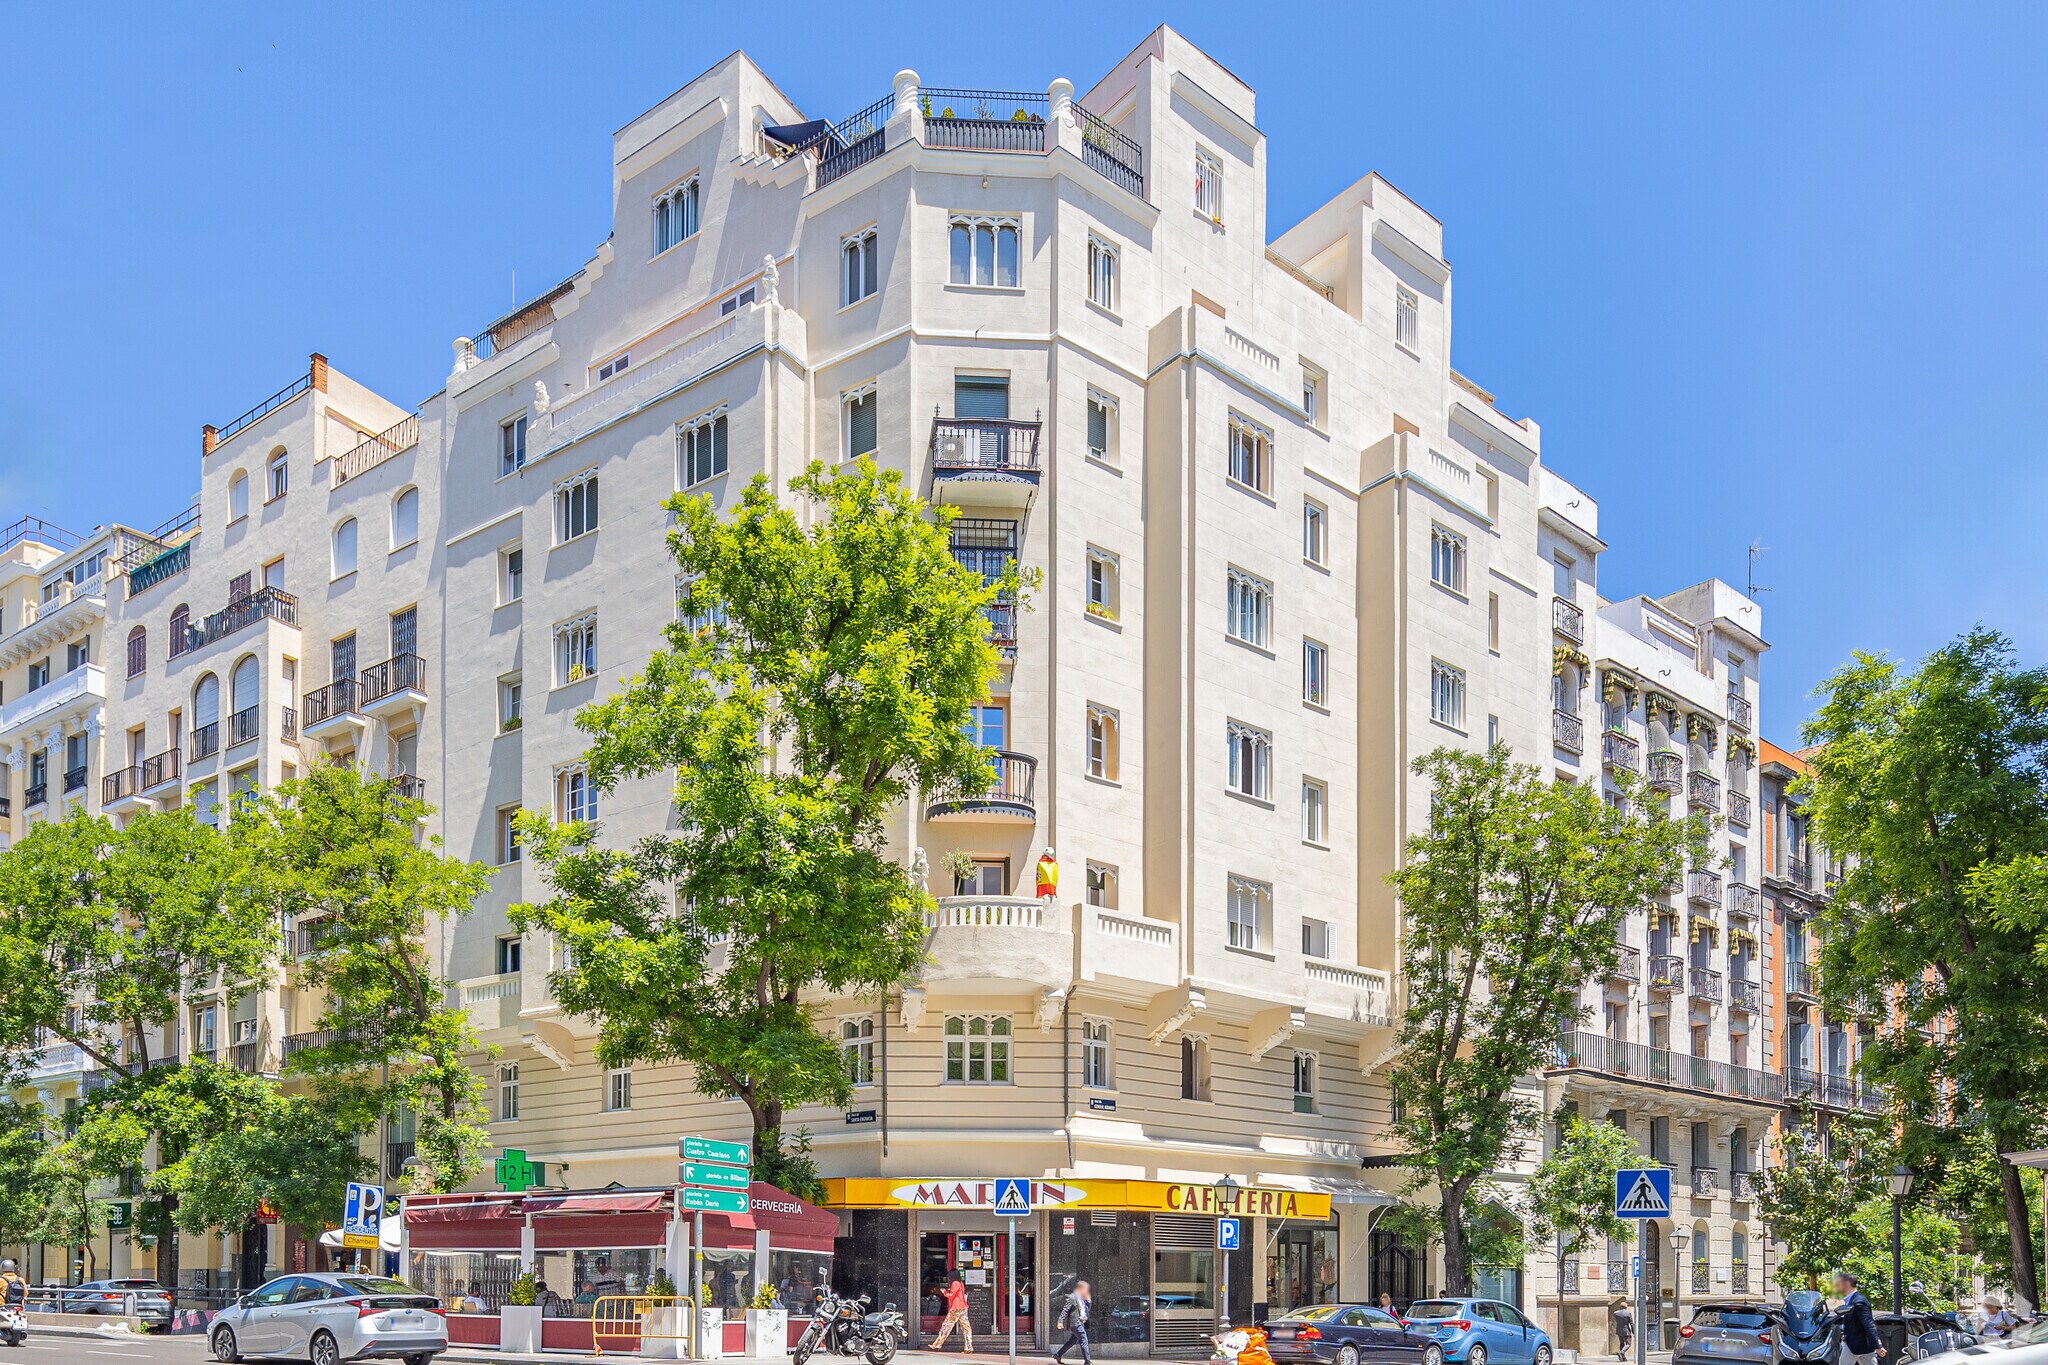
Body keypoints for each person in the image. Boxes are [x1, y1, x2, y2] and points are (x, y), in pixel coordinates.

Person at [1834, 1271, 1886, 1365]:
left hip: (1855, 1344)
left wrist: (1878, 1345)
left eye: (1839, 1283)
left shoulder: (1859, 1301)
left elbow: (1869, 1324)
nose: (1837, 1286)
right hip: (1860, 1345)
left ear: (1847, 1283)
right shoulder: (1852, 1300)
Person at [932, 1275, 974, 1352]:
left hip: (956, 1307)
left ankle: (937, 1344)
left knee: (946, 1326)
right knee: (966, 1328)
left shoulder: (955, 1283)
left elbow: (951, 1296)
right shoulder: (960, 1283)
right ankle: (969, 1347)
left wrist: (944, 1292)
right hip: (963, 1307)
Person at [1056, 1281, 1093, 1365]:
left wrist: (1088, 1301)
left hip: (1081, 1322)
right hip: (1075, 1323)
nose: (1086, 1291)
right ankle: (1087, 1361)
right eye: (1085, 1289)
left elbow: (1086, 1310)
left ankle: (1058, 1355)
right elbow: (1065, 1310)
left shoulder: (1082, 1298)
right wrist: (1060, 1321)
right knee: (1084, 1340)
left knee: (1072, 1341)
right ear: (1080, 1288)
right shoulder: (1072, 1297)